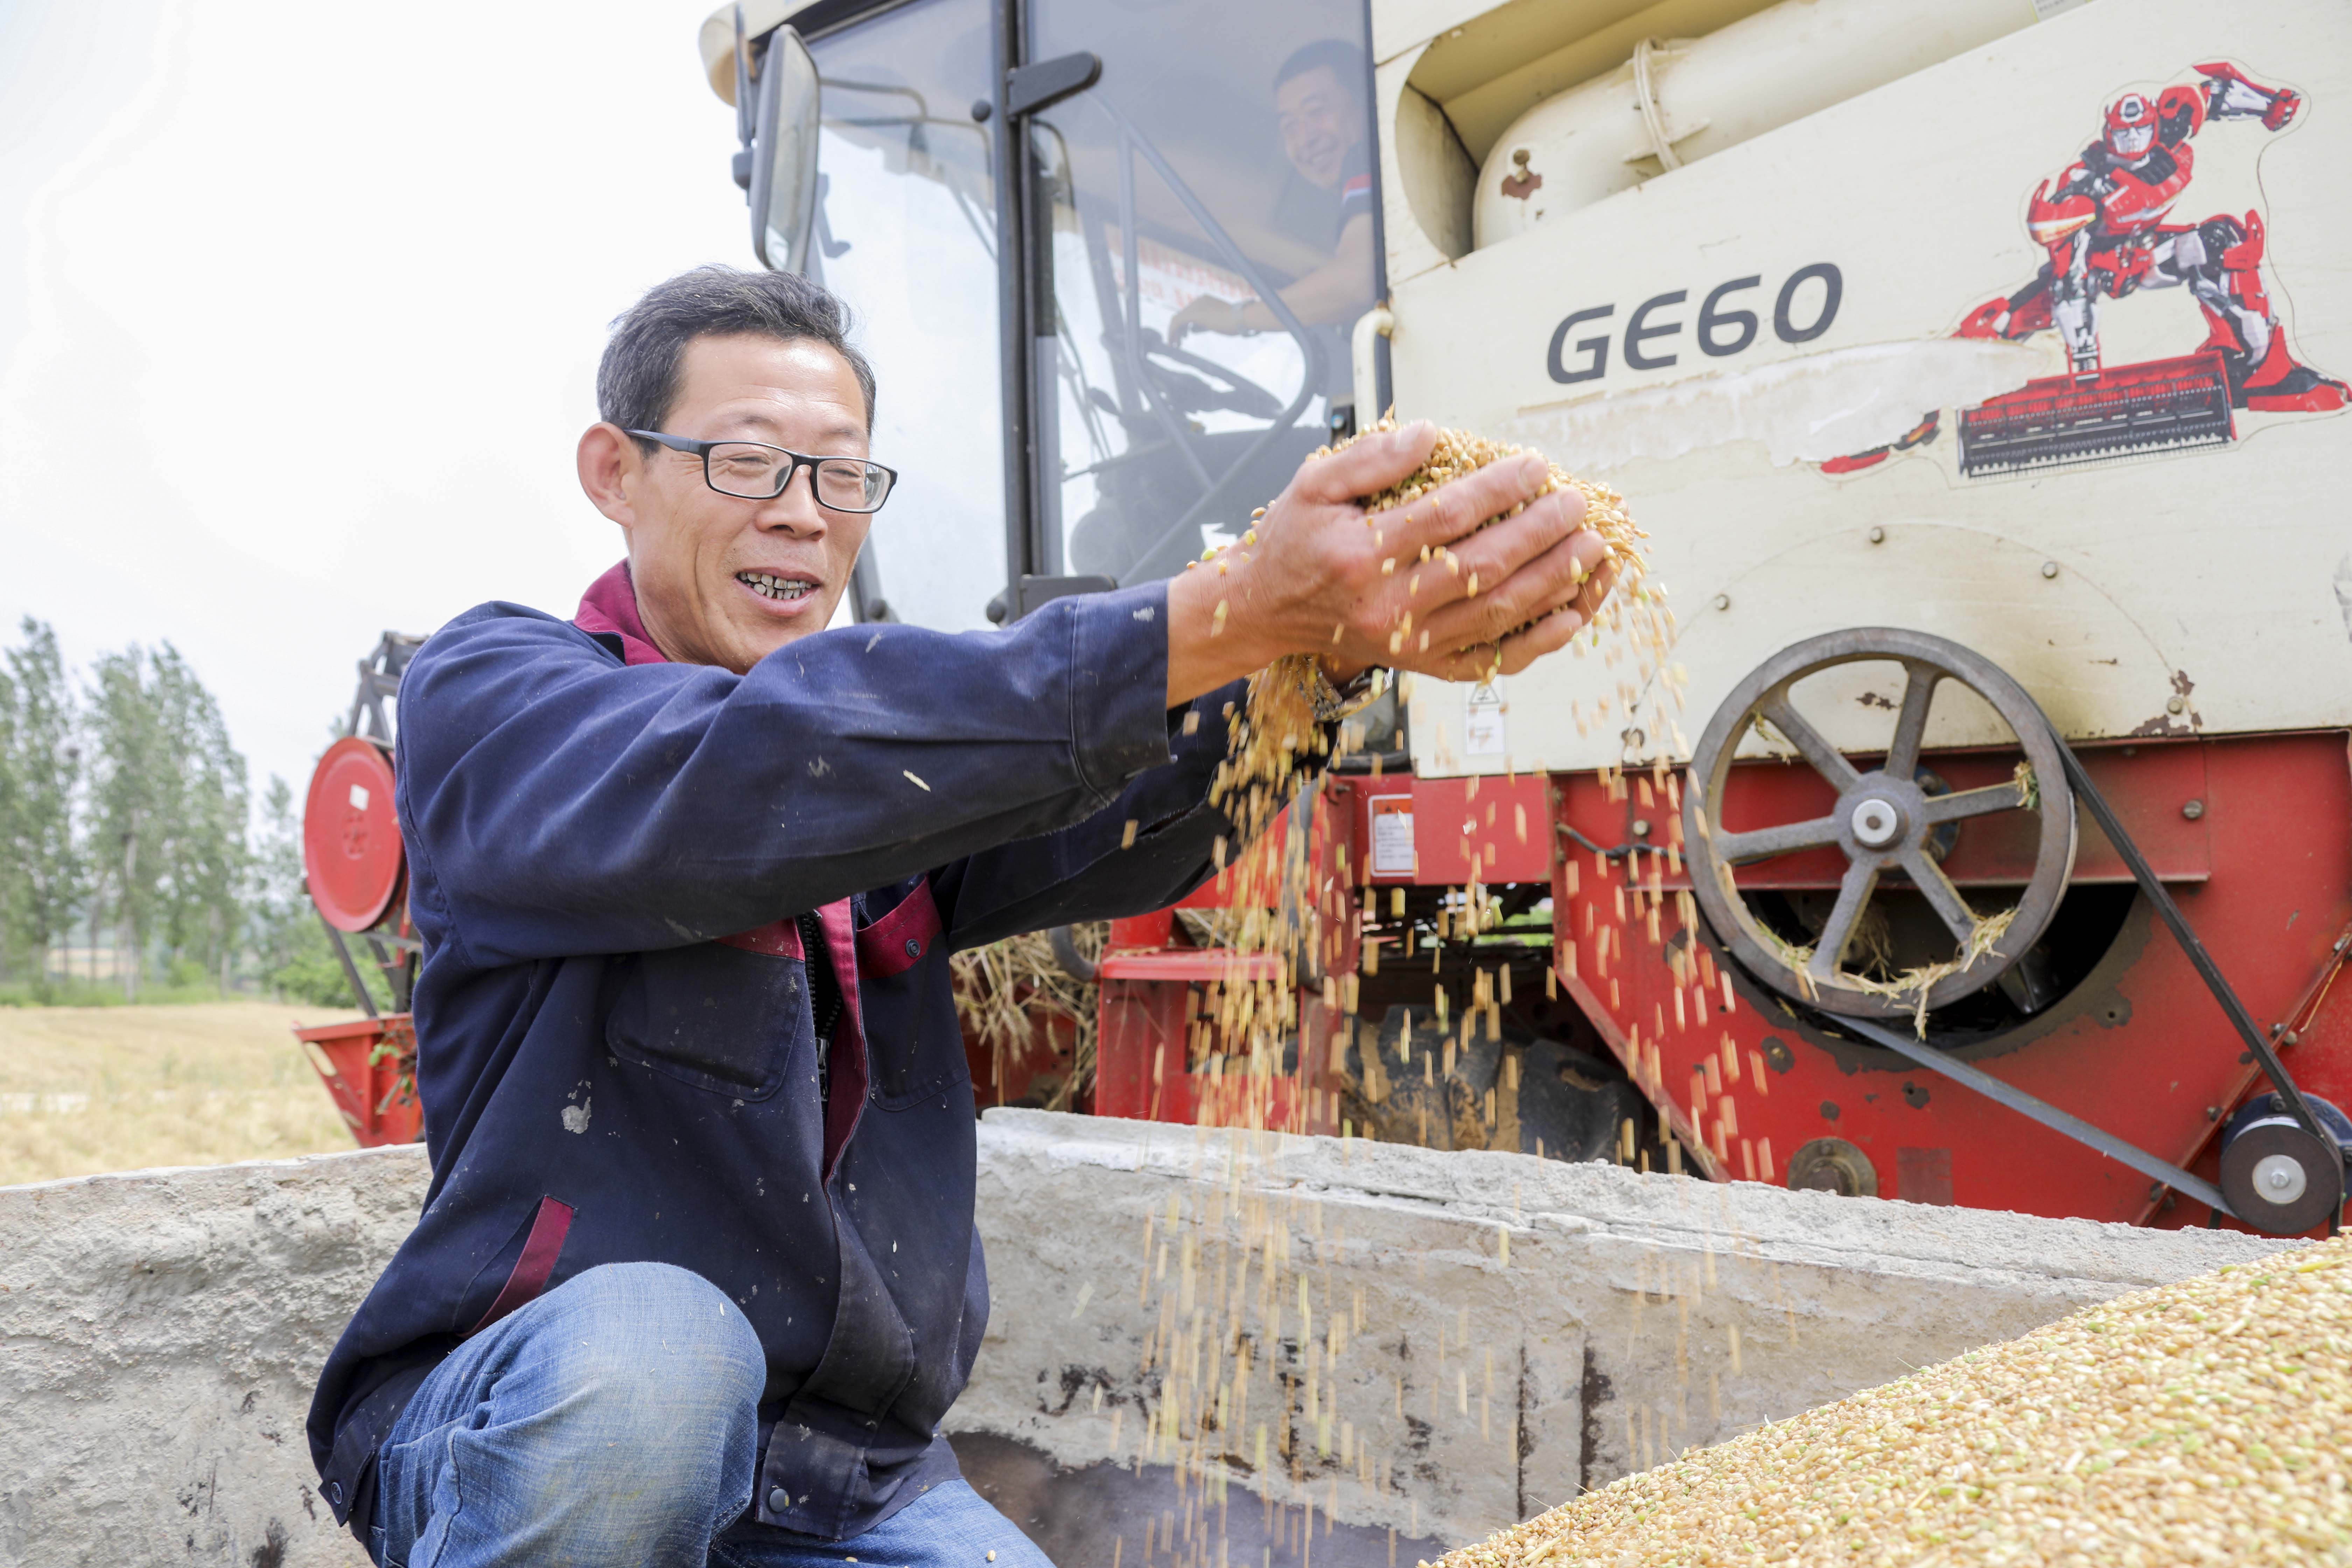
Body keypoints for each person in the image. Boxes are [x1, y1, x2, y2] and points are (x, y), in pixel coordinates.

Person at [303, 264, 1615, 1568]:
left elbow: (1106, 814)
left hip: (832, 1475)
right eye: (749, 465)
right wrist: (1226, 607)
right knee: (658, 1357)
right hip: (550, 1432)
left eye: (838, 475)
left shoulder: (893, 796)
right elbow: (751, 771)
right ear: (615, 471)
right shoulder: (500, 697)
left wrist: (1316, 661)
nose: (804, 517)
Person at [1167, 39, 1375, 352]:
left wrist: (1235, 317)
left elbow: (1357, 280)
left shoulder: (1365, 158)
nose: (1305, 139)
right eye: (1289, 127)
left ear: (1363, 103)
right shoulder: (1358, 201)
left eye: (1317, 111)